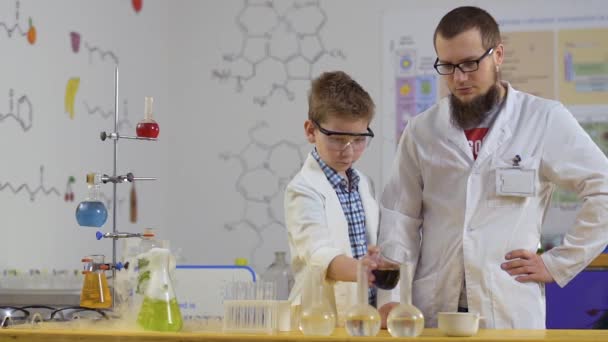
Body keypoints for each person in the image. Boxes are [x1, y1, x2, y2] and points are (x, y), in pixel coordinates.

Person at [377, 6, 608, 329]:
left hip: (507, 306)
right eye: (448, 66)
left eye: (470, 63)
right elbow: (399, 219)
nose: (459, 78)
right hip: (435, 306)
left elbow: (603, 187)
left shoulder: (542, 119)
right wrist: (393, 301)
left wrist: (558, 264)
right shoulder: (422, 131)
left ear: (498, 55)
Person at [284, 71, 379, 325]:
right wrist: (363, 271)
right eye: (338, 139)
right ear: (311, 131)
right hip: (319, 318)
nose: (348, 151)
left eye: (359, 139)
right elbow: (319, 252)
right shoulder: (303, 189)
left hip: (363, 317)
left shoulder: (363, 183)